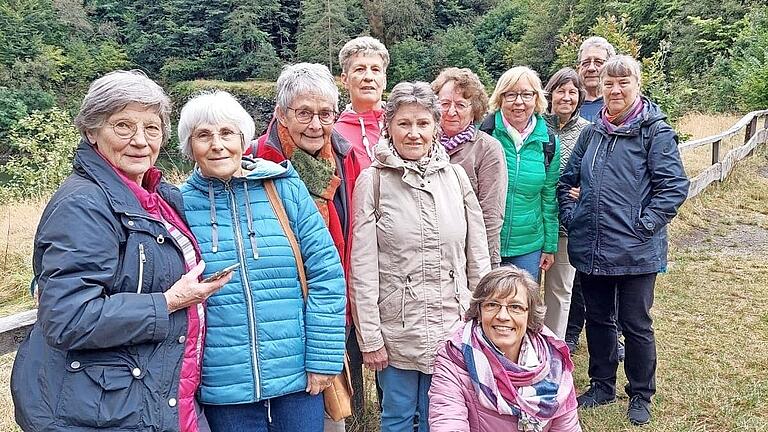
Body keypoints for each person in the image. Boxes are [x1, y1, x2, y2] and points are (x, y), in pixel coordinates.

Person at [11, 70, 228, 431]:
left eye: (152, 127)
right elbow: (67, 318)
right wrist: (168, 303)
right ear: (92, 132)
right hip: (106, 410)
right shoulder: (83, 204)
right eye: (123, 126)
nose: (140, 140)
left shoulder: (160, 198)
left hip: (164, 395)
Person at [178, 91, 347, 432]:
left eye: (227, 133)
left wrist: (322, 358)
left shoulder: (284, 188)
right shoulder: (178, 204)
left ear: (243, 138)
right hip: (224, 384)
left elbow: (326, 274)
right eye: (203, 136)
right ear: (189, 147)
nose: (217, 145)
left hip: (298, 376)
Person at [350, 81, 491, 432]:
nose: (414, 134)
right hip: (398, 327)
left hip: (451, 323)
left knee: (442, 416)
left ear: (436, 127)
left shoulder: (456, 177)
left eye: (423, 124)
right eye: (404, 124)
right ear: (389, 127)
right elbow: (363, 267)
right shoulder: (374, 182)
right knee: (397, 416)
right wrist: (370, 338)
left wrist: (481, 321)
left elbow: (477, 257)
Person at [558, 55, 689, 426]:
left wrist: (644, 225)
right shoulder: (592, 132)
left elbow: (673, 186)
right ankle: (601, 385)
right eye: (608, 83)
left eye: (623, 82)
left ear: (637, 84)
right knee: (599, 319)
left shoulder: (654, 131)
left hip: (636, 251)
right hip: (593, 245)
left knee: (635, 324)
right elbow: (567, 181)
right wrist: (574, 217)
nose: (615, 90)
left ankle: (641, 393)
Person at [253, 62, 357, 432]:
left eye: (326, 114)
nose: (316, 125)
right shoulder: (254, 160)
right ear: (281, 113)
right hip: (273, 308)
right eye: (304, 114)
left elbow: (355, 226)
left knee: (328, 408)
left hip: (329, 300)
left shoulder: (345, 158)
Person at [429, 267, 582, 431]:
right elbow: (447, 421)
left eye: (515, 307)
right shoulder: (454, 356)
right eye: (492, 305)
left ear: (529, 315)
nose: (502, 316)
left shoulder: (553, 360)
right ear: (479, 312)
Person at [480, 66, 560, 282]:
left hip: (528, 246)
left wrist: (550, 246)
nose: (519, 102)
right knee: (483, 307)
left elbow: (548, 196)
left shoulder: (549, 143)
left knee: (521, 308)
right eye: (511, 94)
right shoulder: (483, 133)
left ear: (537, 98)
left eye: (526, 94)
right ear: (500, 97)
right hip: (485, 241)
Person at [431, 67, 508, 268]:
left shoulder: (488, 148)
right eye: (444, 104)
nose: (451, 112)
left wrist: (484, 264)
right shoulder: (423, 144)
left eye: (461, 105)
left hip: (470, 255)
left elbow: (491, 215)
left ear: (474, 110)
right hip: (430, 253)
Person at [541, 68, 590, 340]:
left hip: (565, 225)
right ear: (550, 94)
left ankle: (554, 348)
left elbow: (597, 172)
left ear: (580, 97)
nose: (566, 97)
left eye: (572, 92)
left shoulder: (588, 132)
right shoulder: (536, 125)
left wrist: (586, 192)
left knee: (560, 290)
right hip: (535, 220)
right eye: (561, 90)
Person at [334, 36, 389, 169]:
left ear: (385, 80)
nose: (369, 77)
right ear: (345, 80)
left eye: (375, 70)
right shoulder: (335, 136)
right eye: (360, 69)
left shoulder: (403, 125)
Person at [576, 36, 616, 122]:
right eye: (586, 63)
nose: (591, 68)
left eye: (598, 62)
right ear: (579, 68)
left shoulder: (621, 103)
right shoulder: (567, 102)